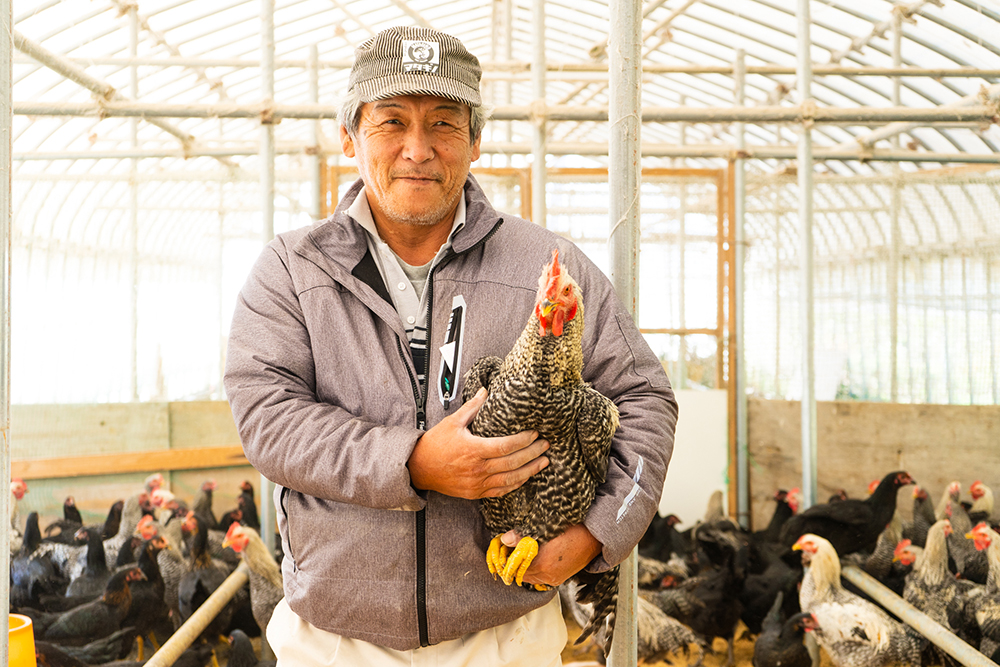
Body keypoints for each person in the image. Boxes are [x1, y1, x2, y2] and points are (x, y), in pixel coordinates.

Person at [224, 25, 678, 667]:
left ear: (475, 140)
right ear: (349, 135)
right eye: (391, 122)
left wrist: (594, 534)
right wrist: (410, 461)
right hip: (334, 644)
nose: (418, 148)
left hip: (506, 639)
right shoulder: (294, 271)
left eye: (444, 122)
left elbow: (645, 400)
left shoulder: (546, 268)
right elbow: (268, 420)